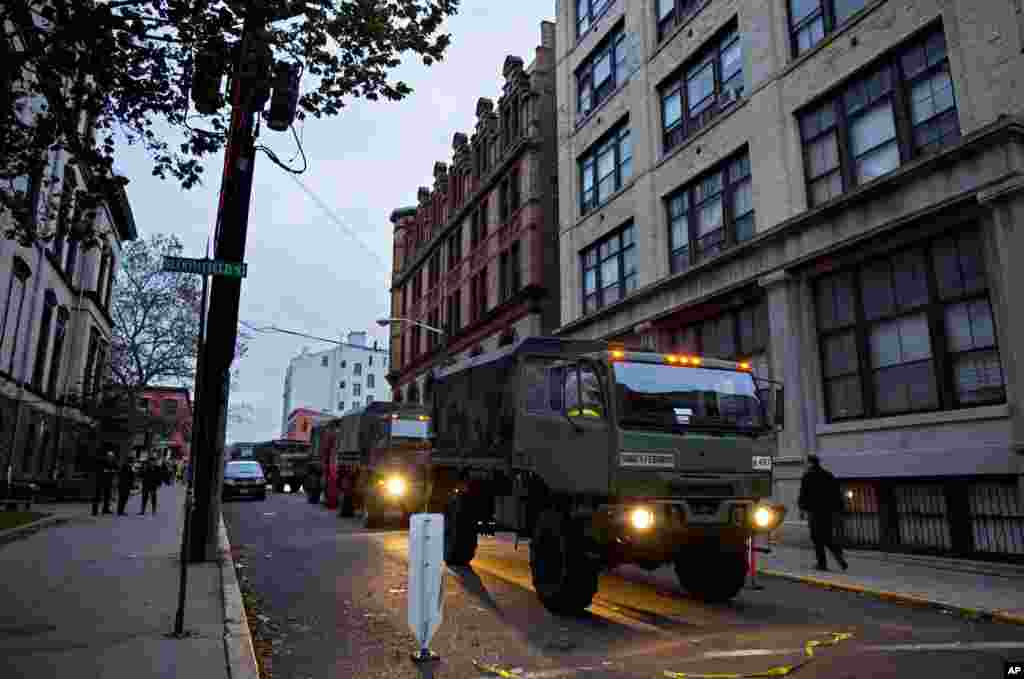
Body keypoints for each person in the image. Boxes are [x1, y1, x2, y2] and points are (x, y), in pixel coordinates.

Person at [798, 454, 849, 572]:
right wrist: (839, 509)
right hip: (827, 511)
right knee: (827, 536)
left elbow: (803, 494)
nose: (805, 465)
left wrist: (802, 509)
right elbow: (836, 492)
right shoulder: (828, 475)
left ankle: (822, 564)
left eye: (806, 463)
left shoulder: (807, 476)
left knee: (816, 537)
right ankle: (839, 557)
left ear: (810, 463)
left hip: (814, 511)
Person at [91, 451, 117, 516]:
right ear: (107, 456)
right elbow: (99, 470)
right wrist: (107, 471)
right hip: (100, 481)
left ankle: (105, 509)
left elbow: (116, 469)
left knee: (107, 496)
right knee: (97, 496)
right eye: (110, 456)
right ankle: (94, 511)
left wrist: (112, 471)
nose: (111, 458)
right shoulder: (102, 461)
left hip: (108, 482)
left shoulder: (113, 463)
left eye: (112, 457)